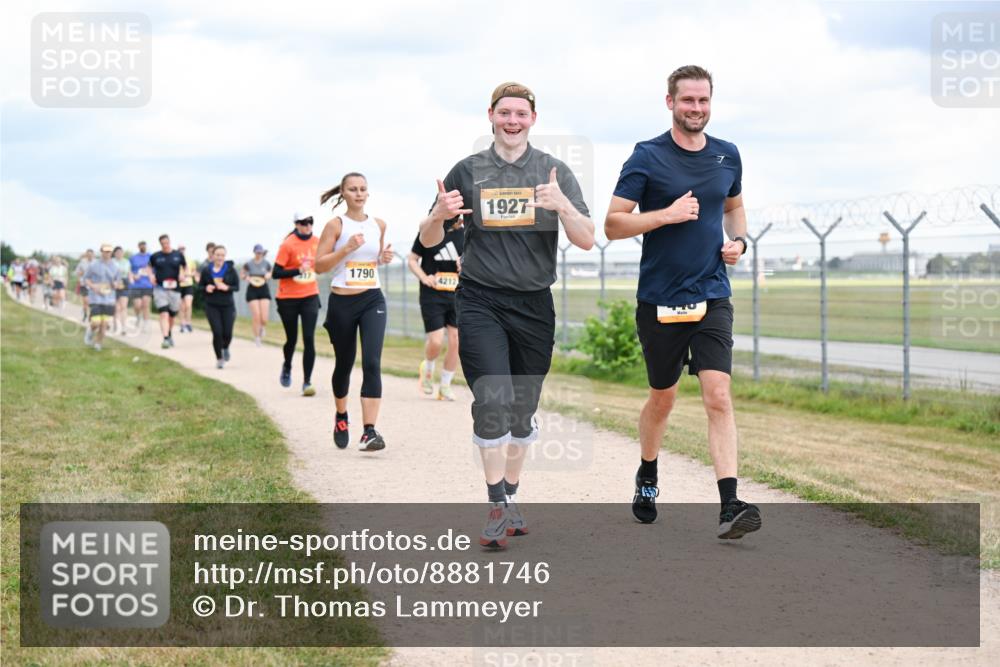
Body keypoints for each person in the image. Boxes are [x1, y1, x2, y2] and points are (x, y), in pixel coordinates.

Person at [419, 82, 594, 549]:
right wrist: (438, 214)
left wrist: (561, 206)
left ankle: (511, 495)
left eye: (521, 113)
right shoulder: (469, 170)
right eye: (504, 113)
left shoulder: (553, 172)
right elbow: (429, 239)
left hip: (535, 304)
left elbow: (586, 238)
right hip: (480, 299)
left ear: (533, 119)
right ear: (490, 116)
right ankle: (495, 502)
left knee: (521, 410)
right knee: (492, 400)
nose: (512, 120)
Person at [605, 65, 759, 539]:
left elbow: (733, 209)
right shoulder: (647, 156)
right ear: (670, 102)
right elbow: (613, 223)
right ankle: (648, 472)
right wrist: (666, 215)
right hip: (660, 299)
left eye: (704, 101)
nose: (697, 109)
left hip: (712, 293)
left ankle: (730, 504)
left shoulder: (727, 155)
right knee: (663, 397)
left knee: (717, 395)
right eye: (688, 101)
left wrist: (739, 244)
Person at [315, 173, 394, 452]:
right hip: (342, 303)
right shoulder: (335, 225)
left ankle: (369, 432)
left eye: (363, 189)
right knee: (344, 363)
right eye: (353, 189)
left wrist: (382, 259)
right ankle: (341, 415)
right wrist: (345, 249)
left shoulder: (378, 225)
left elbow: (373, 261)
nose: (359, 193)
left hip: (373, 299)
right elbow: (320, 266)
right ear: (344, 194)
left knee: (372, 362)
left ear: (367, 193)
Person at [408, 216, 464, 401]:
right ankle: (428, 368)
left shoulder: (465, 234)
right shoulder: (429, 232)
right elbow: (412, 260)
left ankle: (445, 385)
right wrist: (424, 277)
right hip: (432, 293)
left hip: (457, 293)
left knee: (456, 341)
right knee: (436, 341)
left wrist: (465, 265)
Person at [273, 215, 320, 396]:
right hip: (288, 298)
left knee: (309, 338)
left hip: (310, 295)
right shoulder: (288, 244)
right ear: (296, 225)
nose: (307, 226)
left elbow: (324, 262)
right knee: (291, 339)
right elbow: (276, 272)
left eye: (310, 222)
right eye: (303, 223)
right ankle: (287, 365)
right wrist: (297, 270)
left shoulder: (317, 242)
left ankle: (307, 381)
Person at [198, 245, 240, 368]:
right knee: (217, 332)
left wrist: (227, 287)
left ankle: (225, 347)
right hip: (212, 305)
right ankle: (219, 358)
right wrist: (206, 287)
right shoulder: (206, 270)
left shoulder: (230, 270)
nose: (220, 257)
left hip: (227, 305)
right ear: (213, 256)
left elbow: (237, 287)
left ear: (225, 256)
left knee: (227, 333)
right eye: (217, 255)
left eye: (222, 255)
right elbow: (200, 287)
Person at [149, 234, 186, 349]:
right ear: (160, 244)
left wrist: (182, 274)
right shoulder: (155, 256)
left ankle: (169, 334)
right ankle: (165, 338)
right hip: (160, 288)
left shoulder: (178, 255)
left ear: (170, 242)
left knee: (172, 315)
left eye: (167, 243)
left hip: (175, 289)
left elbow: (185, 267)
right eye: (163, 243)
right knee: (163, 313)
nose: (165, 245)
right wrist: (151, 276)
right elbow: (149, 267)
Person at [83, 244, 121, 351]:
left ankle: (98, 343)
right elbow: (86, 279)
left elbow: (118, 281)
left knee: (104, 324)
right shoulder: (93, 265)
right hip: (95, 298)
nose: (107, 253)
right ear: (101, 252)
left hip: (109, 299)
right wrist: (93, 286)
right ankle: (90, 332)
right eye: (105, 251)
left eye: (109, 251)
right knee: (96, 322)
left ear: (111, 252)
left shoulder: (116, 266)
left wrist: (115, 284)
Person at [241, 244, 273, 346]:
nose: (259, 254)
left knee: (264, 317)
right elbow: (242, 274)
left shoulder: (266, 263)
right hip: (252, 290)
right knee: (256, 316)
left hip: (263, 289)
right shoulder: (249, 264)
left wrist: (269, 275)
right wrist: (247, 278)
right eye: (257, 252)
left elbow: (271, 272)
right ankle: (257, 338)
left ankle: (262, 327)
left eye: (261, 252)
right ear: (254, 252)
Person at [129, 241, 153, 330]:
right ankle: (138, 317)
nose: (143, 247)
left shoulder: (151, 257)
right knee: (137, 305)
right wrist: (133, 276)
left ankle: (146, 323)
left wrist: (152, 276)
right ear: (138, 247)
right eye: (141, 245)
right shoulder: (133, 258)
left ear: (146, 246)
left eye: (144, 245)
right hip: (136, 285)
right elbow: (129, 270)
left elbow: (155, 270)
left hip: (148, 285)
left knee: (146, 304)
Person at [177, 244, 199, 333]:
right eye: (180, 249)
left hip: (188, 285)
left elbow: (194, 272)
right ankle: (182, 324)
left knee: (188, 305)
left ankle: (188, 323)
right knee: (181, 307)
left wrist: (188, 275)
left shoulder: (190, 260)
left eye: (183, 249)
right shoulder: (176, 260)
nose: (182, 250)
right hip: (178, 286)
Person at [112, 246, 131, 334]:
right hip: (114, 283)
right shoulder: (111, 262)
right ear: (114, 253)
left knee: (123, 306)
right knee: (116, 308)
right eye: (117, 252)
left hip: (124, 283)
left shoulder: (126, 262)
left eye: (121, 252)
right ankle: (116, 326)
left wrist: (131, 280)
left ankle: (124, 327)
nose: (119, 254)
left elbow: (127, 272)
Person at [75, 249, 94, 321]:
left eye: (91, 254)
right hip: (84, 283)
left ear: (93, 255)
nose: (90, 256)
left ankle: (90, 315)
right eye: (88, 254)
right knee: (86, 301)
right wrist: (81, 273)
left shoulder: (96, 263)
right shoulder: (82, 262)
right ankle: (85, 314)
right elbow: (77, 272)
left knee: (91, 301)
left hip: (93, 284)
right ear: (86, 255)